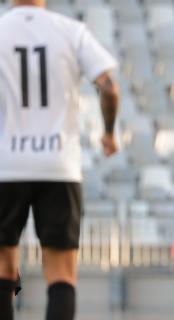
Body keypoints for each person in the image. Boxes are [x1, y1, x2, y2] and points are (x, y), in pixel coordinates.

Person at [0, 1, 119, 319]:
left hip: (6, 165)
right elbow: (108, 88)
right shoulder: (70, 31)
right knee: (61, 274)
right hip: (58, 165)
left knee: (2, 269)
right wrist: (108, 133)